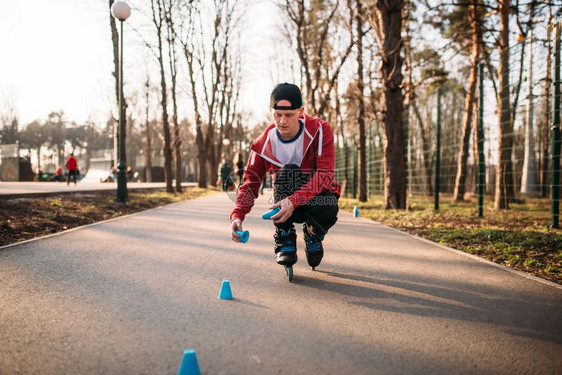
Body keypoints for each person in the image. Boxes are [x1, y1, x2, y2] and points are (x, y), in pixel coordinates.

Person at [229, 83, 340, 269]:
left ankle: (313, 235)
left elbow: (325, 175)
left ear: (301, 111)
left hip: (315, 200)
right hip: (285, 203)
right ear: (270, 111)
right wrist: (237, 215)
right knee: (287, 172)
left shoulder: (320, 131)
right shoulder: (262, 144)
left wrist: (295, 200)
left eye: (289, 115)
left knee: (328, 207)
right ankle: (285, 236)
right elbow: (250, 183)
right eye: (277, 114)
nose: (282, 121)